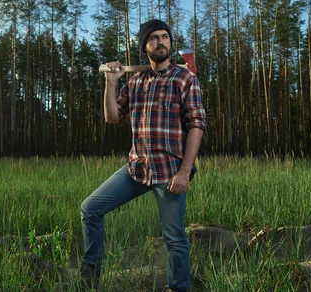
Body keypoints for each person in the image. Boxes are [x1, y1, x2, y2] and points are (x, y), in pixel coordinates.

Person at [79, 19, 207, 292]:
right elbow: (112, 117)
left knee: (173, 237)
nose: (161, 42)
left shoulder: (185, 78)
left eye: (165, 37)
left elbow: (197, 124)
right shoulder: (136, 82)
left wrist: (185, 171)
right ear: (145, 46)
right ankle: (90, 278)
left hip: (170, 171)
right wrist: (111, 82)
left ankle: (178, 287)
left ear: (170, 43)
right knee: (90, 209)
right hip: (137, 168)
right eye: (154, 38)